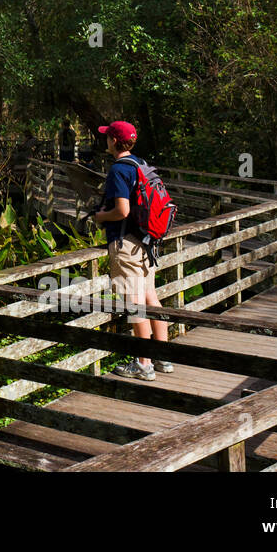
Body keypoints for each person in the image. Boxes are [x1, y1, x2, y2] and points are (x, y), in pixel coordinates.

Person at [91, 120, 171, 380]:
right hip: (147, 242)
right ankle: (162, 358)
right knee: (151, 298)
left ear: (114, 141)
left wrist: (101, 217)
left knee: (135, 303)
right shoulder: (141, 164)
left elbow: (122, 210)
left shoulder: (118, 170)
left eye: (108, 138)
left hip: (125, 244)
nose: (106, 141)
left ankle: (144, 364)